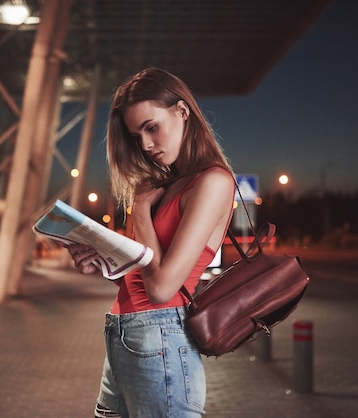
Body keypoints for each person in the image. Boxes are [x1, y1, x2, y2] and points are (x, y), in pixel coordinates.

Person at [67, 67, 236, 418]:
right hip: (122, 336)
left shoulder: (213, 182)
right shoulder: (162, 184)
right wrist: (101, 264)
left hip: (161, 337)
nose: (145, 144)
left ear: (182, 111)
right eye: (136, 135)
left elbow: (161, 288)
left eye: (152, 127)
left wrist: (140, 210)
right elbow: (140, 272)